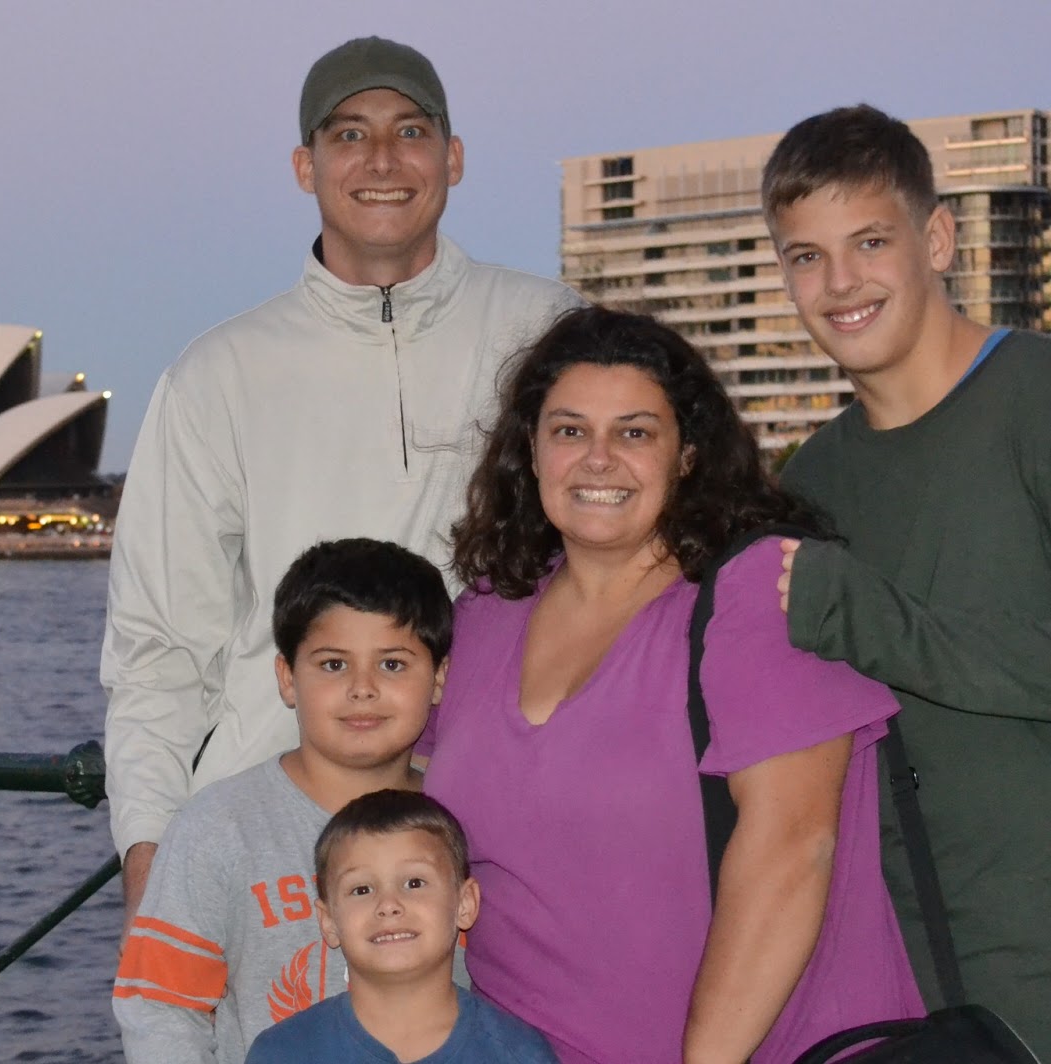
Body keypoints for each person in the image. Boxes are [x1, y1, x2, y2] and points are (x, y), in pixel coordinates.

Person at [100, 35, 579, 928]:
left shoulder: (549, 333)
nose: (382, 160)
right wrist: (151, 858)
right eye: (350, 134)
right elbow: (160, 649)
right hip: (266, 847)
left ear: (453, 157)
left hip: (494, 836)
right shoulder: (217, 374)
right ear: (305, 166)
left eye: (410, 131)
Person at [420, 306, 923, 1063]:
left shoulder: (757, 591)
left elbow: (794, 849)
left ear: (687, 454)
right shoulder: (487, 611)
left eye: (634, 433)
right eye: (569, 430)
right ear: (530, 449)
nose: (598, 459)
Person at [765, 103, 1051, 1054]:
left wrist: (868, 619)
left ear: (937, 239)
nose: (840, 282)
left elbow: (873, 627)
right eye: (807, 256)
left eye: (870, 242)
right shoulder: (810, 482)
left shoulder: (1034, 398)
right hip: (913, 985)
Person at [113, 538, 454, 1064]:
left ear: (438, 678)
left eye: (392, 664)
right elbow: (161, 1008)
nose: (362, 688)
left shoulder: (464, 814)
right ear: (287, 678)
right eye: (333, 665)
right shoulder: (219, 826)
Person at [244, 790, 558, 1064]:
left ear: (465, 904)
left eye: (414, 883)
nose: (388, 904)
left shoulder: (519, 1055)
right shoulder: (282, 1053)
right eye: (362, 889)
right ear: (328, 921)